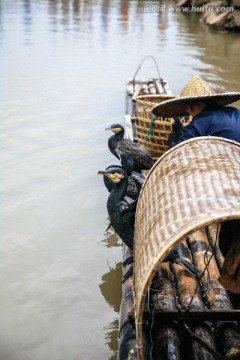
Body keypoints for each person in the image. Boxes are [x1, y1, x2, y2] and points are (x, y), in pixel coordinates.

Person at [152, 75, 240, 146]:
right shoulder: (235, 112)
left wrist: (173, 140)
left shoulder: (198, 123)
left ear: (191, 108)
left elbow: (177, 152)